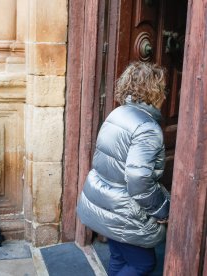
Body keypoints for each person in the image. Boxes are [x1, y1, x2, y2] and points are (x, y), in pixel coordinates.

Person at [76, 62, 170, 276]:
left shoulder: (117, 113)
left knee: (119, 256)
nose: (165, 94)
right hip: (124, 210)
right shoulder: (147, 128)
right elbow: (139, 180)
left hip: (104, 200)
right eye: (162, 89)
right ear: (153, 91)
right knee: (142, 264)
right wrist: (162, 210)